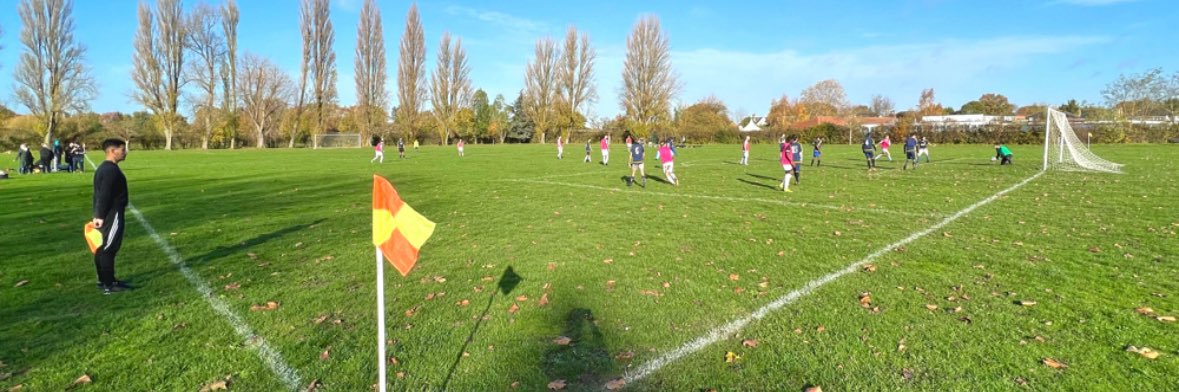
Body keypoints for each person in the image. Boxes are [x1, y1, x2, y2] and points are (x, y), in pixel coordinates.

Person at [92, 139, 132, 294]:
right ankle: (108, 284)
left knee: (103, 247)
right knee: (109, 247)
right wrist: (100, 215)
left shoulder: (105, 168)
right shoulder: (110, 170)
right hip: (112, 213)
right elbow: (104, 194)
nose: (125, 152)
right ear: (112, 151)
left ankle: (105, 280)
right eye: (122, 149)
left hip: (107, 213)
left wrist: (97, 214)